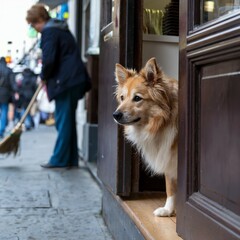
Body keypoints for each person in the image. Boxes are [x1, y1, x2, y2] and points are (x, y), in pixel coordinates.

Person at [26, 4, 91, 168]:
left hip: (65, 82)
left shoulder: (50, 31)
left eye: (34, 25)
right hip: (74, 80)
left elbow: (48, 60)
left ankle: (59, 159)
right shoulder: (60, 28)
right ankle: (71, 159)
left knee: (63, 121)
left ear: (40, 20)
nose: (35, 29)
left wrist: (43, 76)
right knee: (67, 120)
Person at [0, 57, 14, 138]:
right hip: (5, 94)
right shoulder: (8, 70)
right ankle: (1, 130)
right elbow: (12, 83)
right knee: (4, 111)